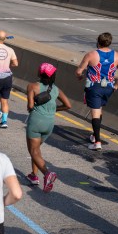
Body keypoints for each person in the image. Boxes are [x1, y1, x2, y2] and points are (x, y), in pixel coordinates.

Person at [25, 63, 71, 192]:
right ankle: (34, 176)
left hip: (36, 121)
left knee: (33, 151)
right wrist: (55, 109)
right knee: (37, 150)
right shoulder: (56, 89)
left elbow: (29, 106)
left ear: (40, 73)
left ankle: (47, 174)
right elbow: (68, 105)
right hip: (49, 123)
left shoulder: (32, 86)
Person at [75, 32, 118, 150]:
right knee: (99, 109)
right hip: (108, 88)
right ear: (110, 42)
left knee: (95, 114)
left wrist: (80, 76)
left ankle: (97, 142)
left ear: (98, 41)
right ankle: (94, 135)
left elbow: (78, 71)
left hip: (94, 87)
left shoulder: (91, 55)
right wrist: (116, 85)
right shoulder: (117, 56)